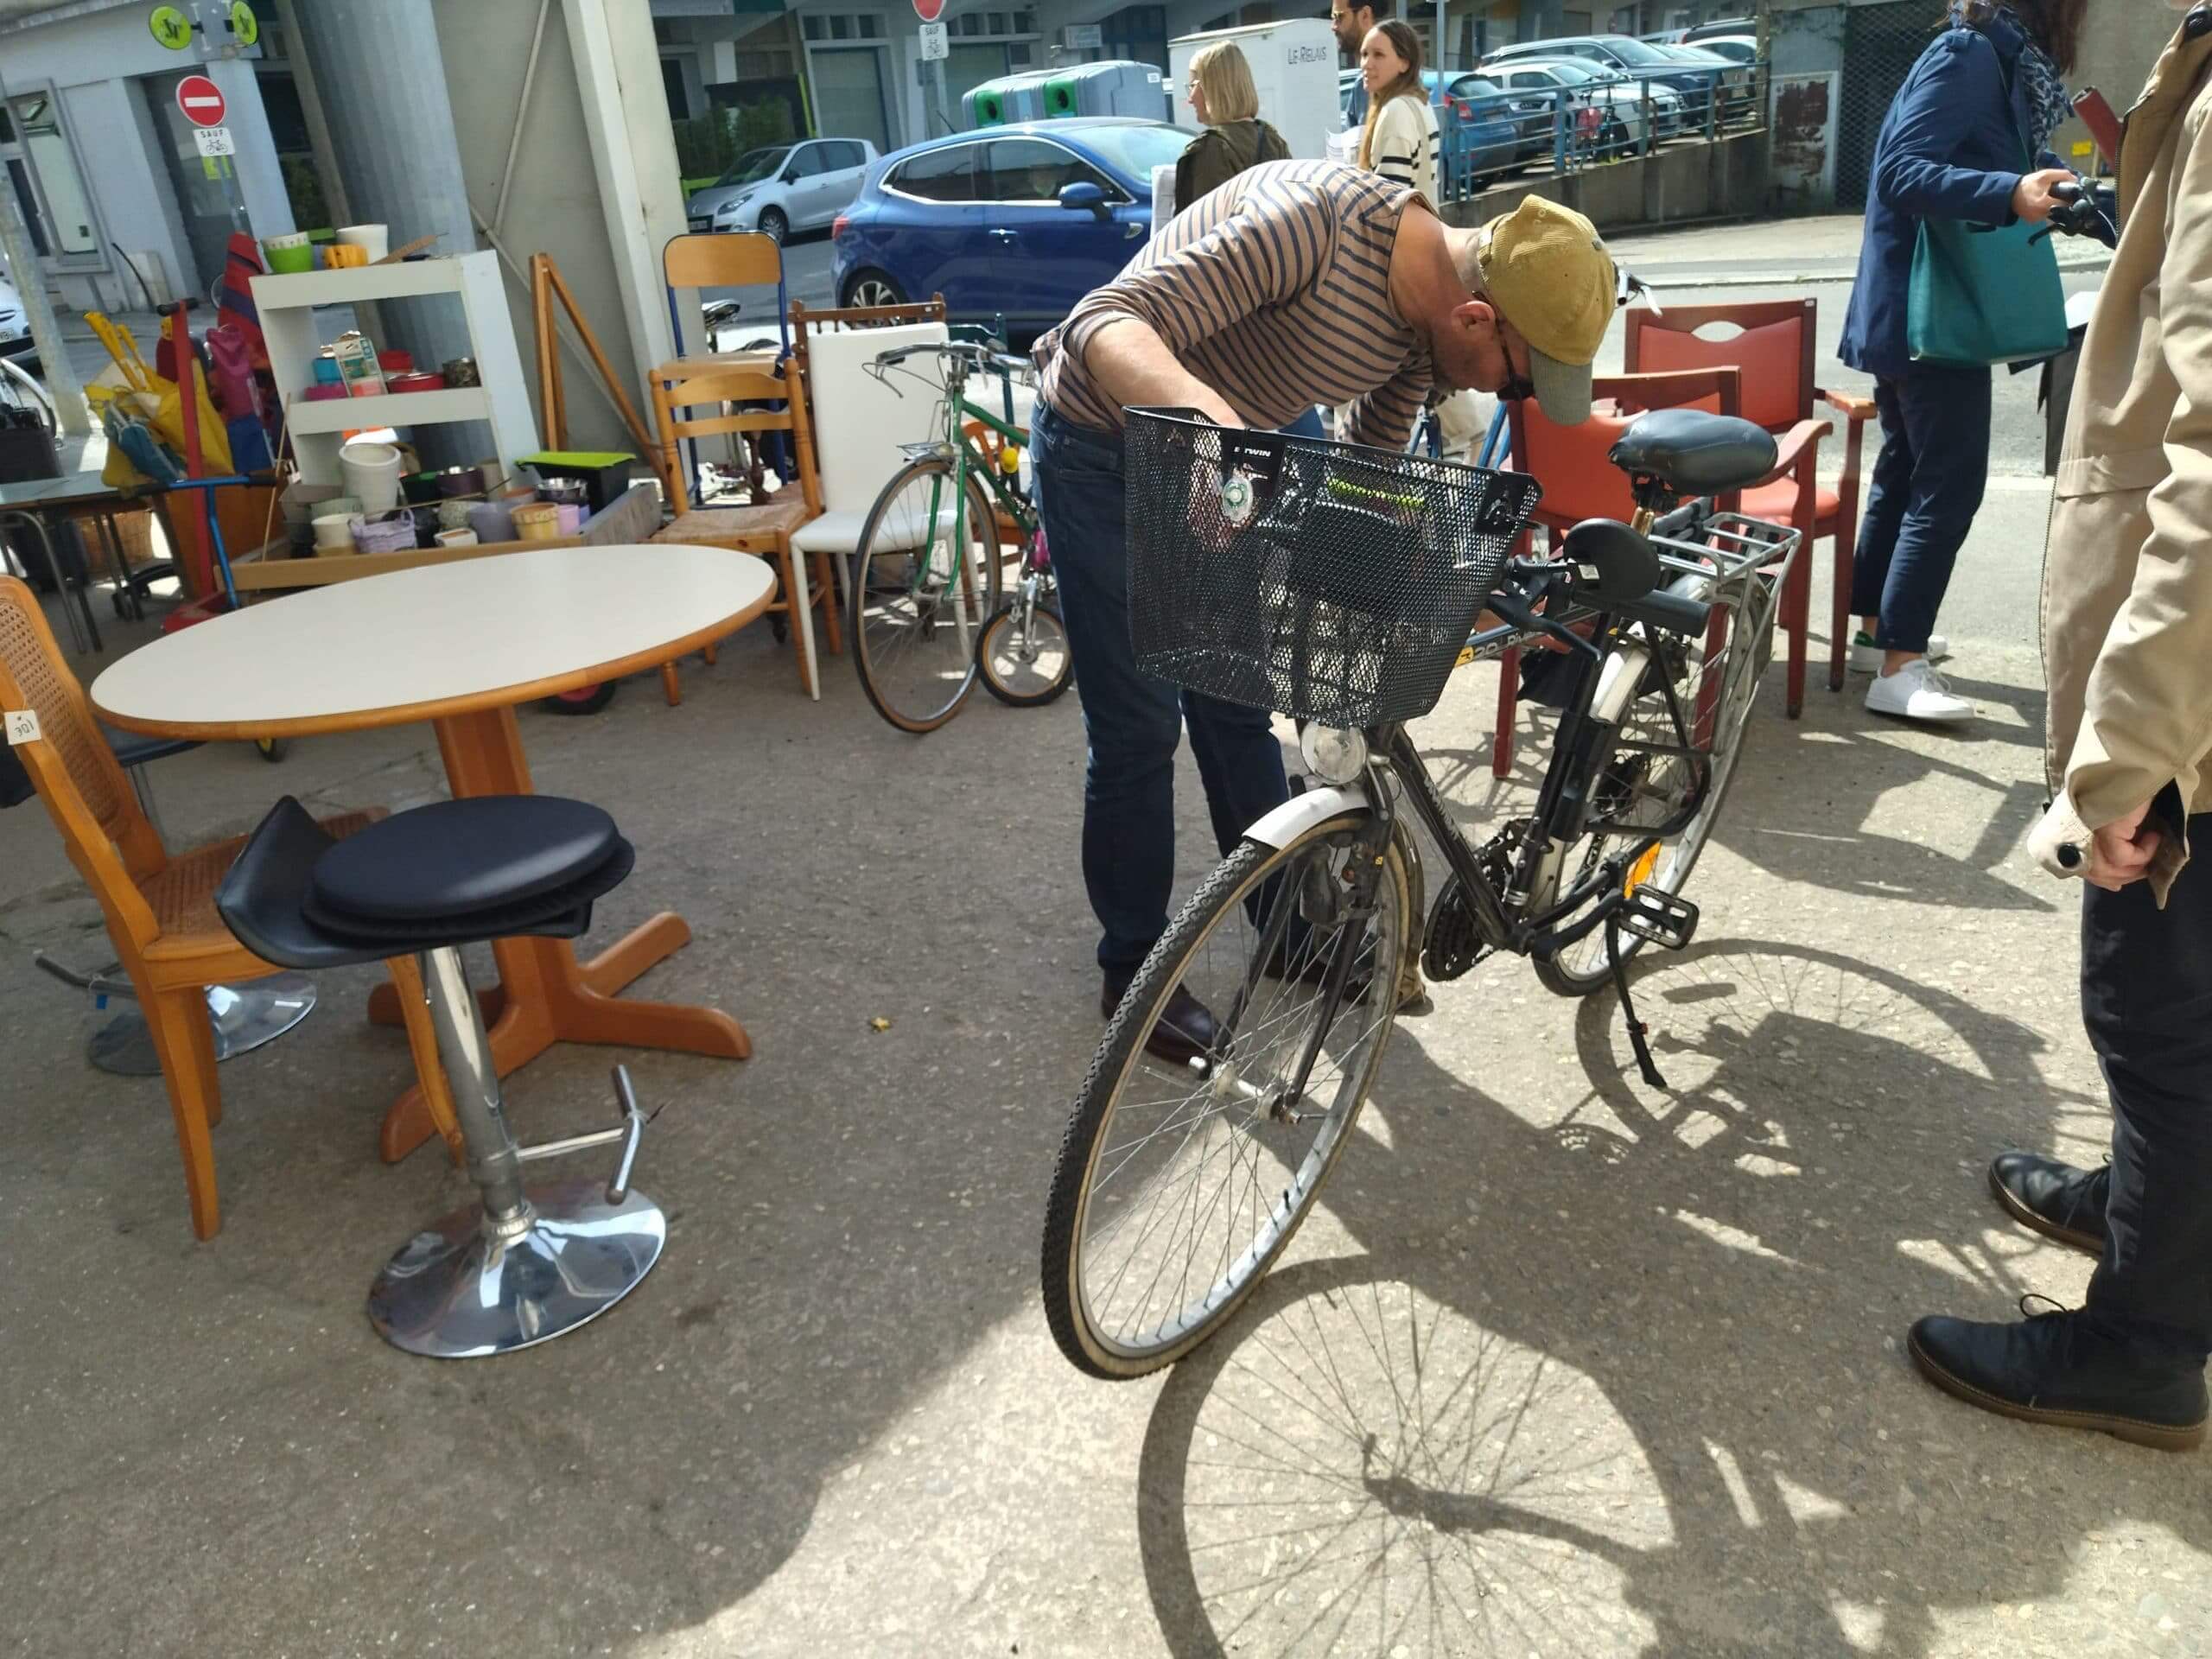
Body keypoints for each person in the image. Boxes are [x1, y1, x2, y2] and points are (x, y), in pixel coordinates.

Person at [1030, 168, 1617, 1061]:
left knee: (1235, 703)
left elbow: (1368, 475)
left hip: (1221, 469)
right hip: (1106, 449)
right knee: (1140, 727)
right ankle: (1133, 974)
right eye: (1517, 379)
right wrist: (1215, 430)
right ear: (1476, 318)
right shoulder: (1313, 228)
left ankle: (1282, 927)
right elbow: (1101, 324)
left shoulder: (1426, 336)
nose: (1509, 398)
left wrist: (1392, 584)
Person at [1906, 0, 2212, 1452]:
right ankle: (2148, 1223)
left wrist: (2125, 752)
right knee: (2170, 1016)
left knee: (2153, 1008)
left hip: (2194, 689)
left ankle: (2147, 1344)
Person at [1836, 0, 2085, 723]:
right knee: (1948, 485)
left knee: (1907, 471)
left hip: (1912, 310)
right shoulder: (1970, 55)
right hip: (1931, 311)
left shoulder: (1987, 56)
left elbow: (1957, 158)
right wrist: (2008, 190)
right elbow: (1902, 172)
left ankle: (1878, 633)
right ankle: (1900, 668)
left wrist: (2041, 184)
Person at [1175, 42, 1291, 209]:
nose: (1190, 98)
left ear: (1213, 87)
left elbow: (1201, 226)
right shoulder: (1274, 140)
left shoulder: (1210, 148)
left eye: (1193, 86)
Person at [1357, 21, 1441, 204]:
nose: (1366, 64)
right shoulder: (1421, 103)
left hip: (1404, 232)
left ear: (1404, 63)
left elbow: (1390, 202)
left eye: (1378, 55)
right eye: (1364, 54)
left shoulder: (1395, 111)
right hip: (1426, 227)